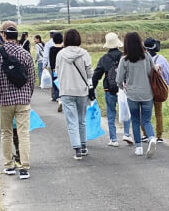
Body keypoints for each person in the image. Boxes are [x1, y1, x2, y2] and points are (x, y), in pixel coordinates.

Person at [0, 20, 36, 180]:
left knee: (6, 133)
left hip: (4, 100)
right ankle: (24, 167)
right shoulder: (25, 54)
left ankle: (9, 165)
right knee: (23, 133)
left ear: (3, 35)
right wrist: (28, 95)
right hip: (23, 99)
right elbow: (31, 79)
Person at [116, 32, 158, 158]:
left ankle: (139, 147)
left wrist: (122, 87)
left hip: (132, 95)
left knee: (135, 120)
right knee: (146, 120)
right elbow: (152, 73)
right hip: (147, 94)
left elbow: (118, 79)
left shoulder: (124, 59)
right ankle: (151, 138)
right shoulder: (147, 56)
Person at [55, 29, 93, 160]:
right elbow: (89, 73)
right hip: (82, 90)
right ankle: (83, 146)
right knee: (81, 120)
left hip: (66, 91)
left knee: (71, 121)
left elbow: (57, 72)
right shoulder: (84, 53)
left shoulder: (60, 54)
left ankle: (77, 149)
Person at [92, 32, 124, 147]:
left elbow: (96, 75)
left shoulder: (104, 58)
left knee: (111, 113)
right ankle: (127, 134)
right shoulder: (124, 56)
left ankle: (113, 139)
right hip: (123, 89)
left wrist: (92, 88)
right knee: (126, 111)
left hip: (108, 88)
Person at [144, 37, 169, 142]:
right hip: (157, 90)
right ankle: (159, 136)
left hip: (145, 89)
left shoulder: (142, 58)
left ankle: (146, 134)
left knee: (144, 113)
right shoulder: (160, 59)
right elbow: (168, 73)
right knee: (158, 112)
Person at [47, 31, 64, 110]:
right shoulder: (64, 49)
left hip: (55, 70)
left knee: (56, 84)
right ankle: (63, 98)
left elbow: (51, 60)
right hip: (64, 69)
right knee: (63, 84)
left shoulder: (52, 49)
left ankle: (58, 99)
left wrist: (53, 68)